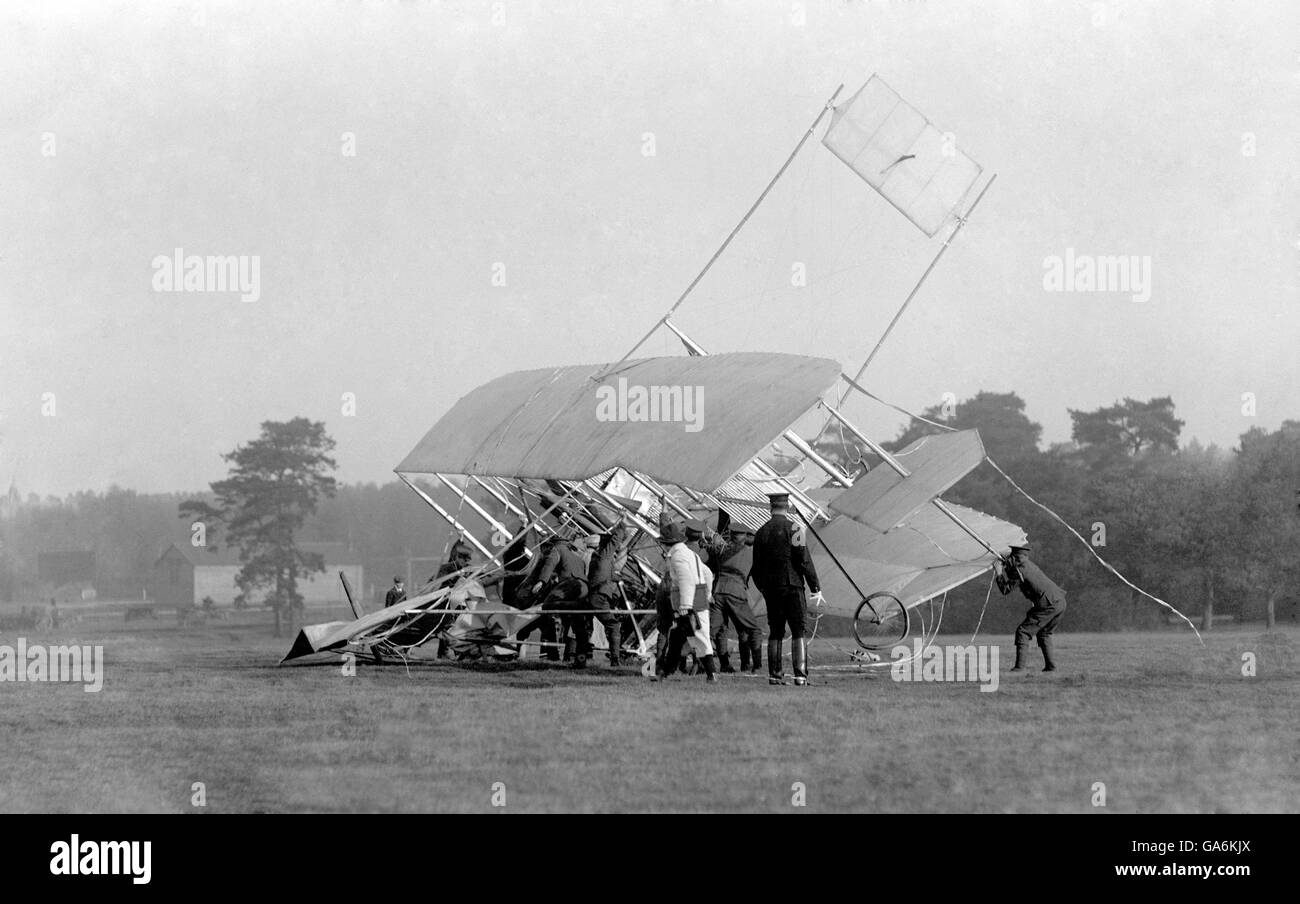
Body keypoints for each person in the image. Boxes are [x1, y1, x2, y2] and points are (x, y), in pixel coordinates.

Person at [750, 492, 822, 686]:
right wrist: (815, 585)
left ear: (770, 507)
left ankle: (775, 674)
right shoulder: (796, 529)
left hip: (771, 589)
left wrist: (763, 588)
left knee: (775, 631)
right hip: (792, 586)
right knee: (798, 629)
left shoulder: (761, 532)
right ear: (788, 506)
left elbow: (756, 567)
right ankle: (800, 675)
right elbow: (803, 559)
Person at [654, 520, 718, 682]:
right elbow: (708, 574)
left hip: (689, 604)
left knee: (695, 638)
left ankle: (710, 673)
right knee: (682, 638)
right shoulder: (690, 554)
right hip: (699, 599)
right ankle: (666, 673)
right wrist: (708, 593)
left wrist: (685, 605)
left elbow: (686, 580)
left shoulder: (677, 557)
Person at [997, 543, 1067, 672]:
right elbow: (1017, 574)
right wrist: (1007, 567)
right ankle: (1051, 667)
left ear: (1015, 558)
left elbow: (1005, 589)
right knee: (1044, 633)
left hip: (1048, 605)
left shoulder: (1020, 571)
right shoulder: (1028, 565)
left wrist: (999, 572)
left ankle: (1019, 668)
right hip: (1060, 602)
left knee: (1023, 632)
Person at [577, 515, 632, 667]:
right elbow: (615, 541)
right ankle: (615, 660)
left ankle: (580, 660)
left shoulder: (596, 559)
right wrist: (622, 524)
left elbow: (608, 574)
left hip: (591, 596)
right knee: (613, 626)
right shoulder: (604, 557)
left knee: (586, 628)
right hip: (600, 598)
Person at [710, 524, 763, 674]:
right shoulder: (751, 553)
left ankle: (720, 664)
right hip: (736, 594)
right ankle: (755, 666)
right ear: (745, 536)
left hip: (718, 592)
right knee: (753, 629)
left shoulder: (721, 550)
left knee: (717, 630)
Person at [531, 533, 590, 664]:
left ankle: (550, 654)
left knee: (547, 606)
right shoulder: (577, 557)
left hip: (570, 585)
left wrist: (541, 581)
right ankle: (580, 658)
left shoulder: (557, 549)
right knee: (578, 623)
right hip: (584, 588)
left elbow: (549, 565)